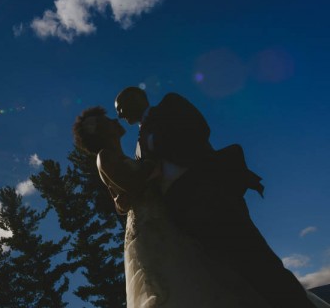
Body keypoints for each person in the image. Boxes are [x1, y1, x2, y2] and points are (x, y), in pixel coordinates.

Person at [114, 87, 317, 308]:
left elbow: (198, 129)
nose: (121, 115)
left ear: (139, 97)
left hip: (209, 192)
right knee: (229, 273)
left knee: (256, 259)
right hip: (183, 213)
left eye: (122, 107)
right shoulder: (137, 145)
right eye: (118, 112)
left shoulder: (170, 104)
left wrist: (154, 149)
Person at [73, 107, 271, 308]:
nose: (115, 121)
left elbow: (122, 201)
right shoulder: (104, 156)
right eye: (107, 120)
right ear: (96, 131)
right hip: (149, 226)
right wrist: (154, 165)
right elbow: (133, 184)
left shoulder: (122, 157)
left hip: (163, 219)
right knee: (172, 281)